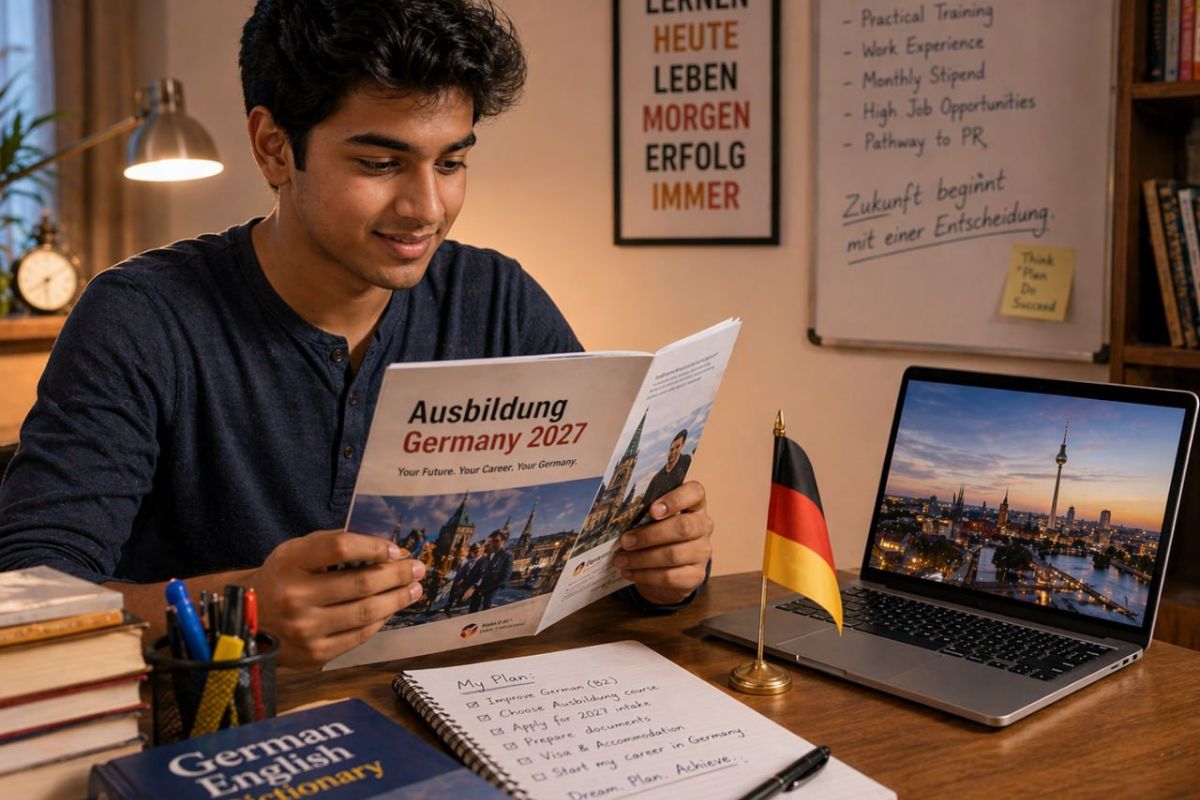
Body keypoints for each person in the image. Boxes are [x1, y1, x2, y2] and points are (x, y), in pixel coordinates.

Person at [0, 0, 713, 669]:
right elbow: (26, 596)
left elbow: (601, 537)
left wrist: (665, 566)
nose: (426, 208)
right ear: (274, 149)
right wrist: (241, 608)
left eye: (451, 162)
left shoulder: (498, 299)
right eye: (380, 164)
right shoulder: (141, 318)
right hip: (222, 719)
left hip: (461, 708)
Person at [639, 430, 693, 522]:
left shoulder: (686, 460)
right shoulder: (656, 478)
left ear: (683, 445)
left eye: (677, 447)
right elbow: (643, 504)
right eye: (672, 449)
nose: (674, 451)